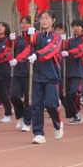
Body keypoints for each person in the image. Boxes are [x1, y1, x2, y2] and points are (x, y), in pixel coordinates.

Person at [16, 11, 62, 144]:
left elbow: (50, 50)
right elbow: (30, 42)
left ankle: (57, 124)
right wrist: (28, 34)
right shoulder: (38, 35)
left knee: (51, 105)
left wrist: (37, 55)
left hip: (51, 76)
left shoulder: (56, 37)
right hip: (37, 76)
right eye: (41, 18)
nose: (44, 21)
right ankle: (38, 133)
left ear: (53, 20)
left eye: (47, 18)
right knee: (36, 106)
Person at [60, 17, 83, 125]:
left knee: (74, 91)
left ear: (82, 28)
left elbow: (79, 51)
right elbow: (61, 49)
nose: (76, 28)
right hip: (68, 70)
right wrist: (62, 41)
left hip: (79, 70)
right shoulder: (69, 41)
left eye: (78, 26)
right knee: (66, 94)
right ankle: (74, 114)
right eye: (74, 26)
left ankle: (78, 112)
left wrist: (68, 53)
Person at [10, 16, 33, 131]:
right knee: (14, 95)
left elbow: (28, 50)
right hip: (18, 71)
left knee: (29, 98)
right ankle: (21, 116)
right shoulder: (18, 38)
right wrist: (10, 40)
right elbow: (9, 48)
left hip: (29, 71)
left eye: (26, 23)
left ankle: (27, 122)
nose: (23, 25)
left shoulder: (33, 38)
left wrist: (18, 59)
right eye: (22, 23)